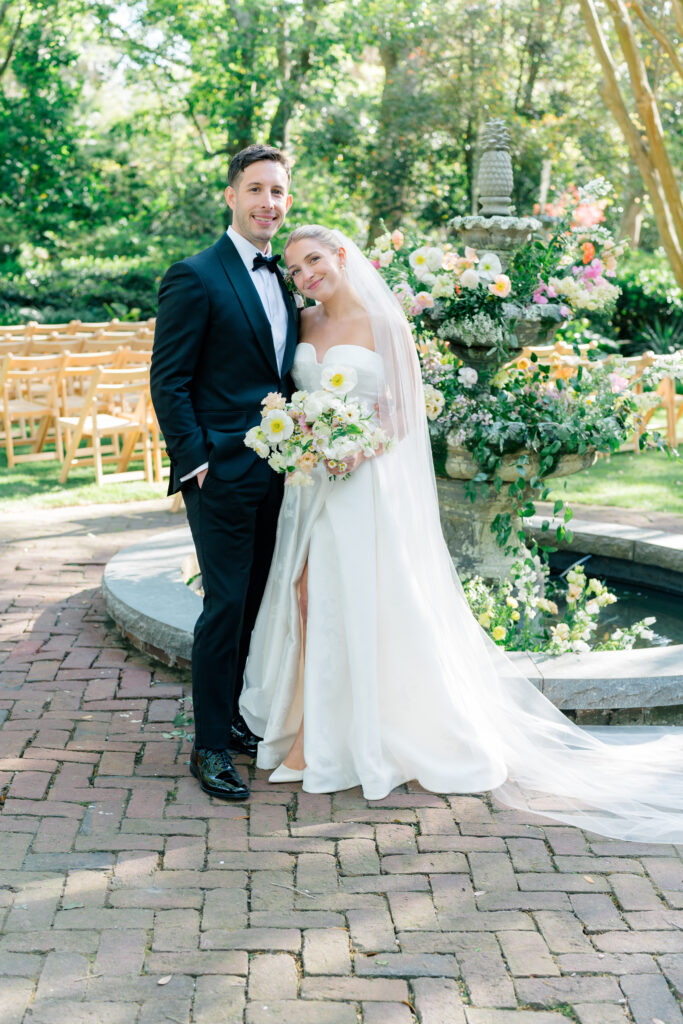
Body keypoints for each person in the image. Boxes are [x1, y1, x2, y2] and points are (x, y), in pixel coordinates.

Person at [239, 223, 683, 843]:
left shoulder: (385, 324)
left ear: (341, 257)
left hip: (361, 485)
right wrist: (304, 439)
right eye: (296, 269)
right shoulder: (304, 324)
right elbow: (294, 397)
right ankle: (313, 728)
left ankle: (331, 737)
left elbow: (398, 416)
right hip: (311, 488)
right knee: (305, 597)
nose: (306, 275)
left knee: (336, 598)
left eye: (314, 260)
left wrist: (347, 448)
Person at [150, 144, 298, 801]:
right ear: (231, 196)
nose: (270, 202)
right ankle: (209, 746)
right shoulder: (195, 275)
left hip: (283, 471)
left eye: (279, 192)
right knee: (225, 604)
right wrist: (196, 462)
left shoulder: (288, 278)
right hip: (221, 472)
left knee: (256, 603)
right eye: (258, 189)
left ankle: (233, 716)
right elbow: (169, 379)